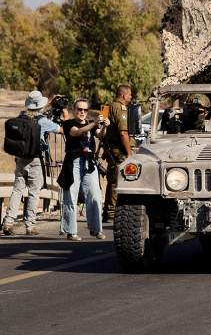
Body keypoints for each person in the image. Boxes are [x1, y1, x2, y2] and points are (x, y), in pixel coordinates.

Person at [2, 91, 64, 236]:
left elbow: (35, 112)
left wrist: (49, 103)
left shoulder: (22, 116)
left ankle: (8, 222)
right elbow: (61, 130)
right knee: (33, 192)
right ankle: (30, 226)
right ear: (40, 105)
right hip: (36, 160)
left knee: (17, 190)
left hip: (20, 158)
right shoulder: (44, 122)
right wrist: (65, 117)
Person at [59, 99, 108, 240]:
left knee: (95, 196)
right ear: (74, 110)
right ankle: (70, 231)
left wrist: (105, 126)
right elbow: (77, 132)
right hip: (74, 162)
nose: (82, 112)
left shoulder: (91, 124)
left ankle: (96, 229)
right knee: (71, 197)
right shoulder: (68, 123)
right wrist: (94, 123)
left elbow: (100, 135)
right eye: (80, 109)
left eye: (85, 110)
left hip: (89, 163)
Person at [103, 84, 133, 222]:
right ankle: (112, 213)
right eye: (130, 95)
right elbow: (123, 133)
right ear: (123, 96)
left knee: (111, 181)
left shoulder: (106, 107)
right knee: (118, 182)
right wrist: (129, 152)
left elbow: (100, 130)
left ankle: (107, 212)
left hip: (109, 151)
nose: (131, 97)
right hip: (118, 152)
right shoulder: (120, 109)